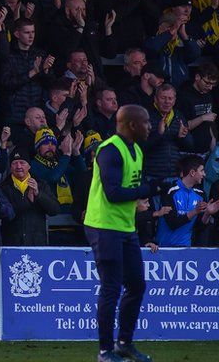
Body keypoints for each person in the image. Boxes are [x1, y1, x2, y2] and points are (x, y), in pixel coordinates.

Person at [85, 105, 162, 362]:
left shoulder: (136, 149)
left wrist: (142, 192)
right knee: (111, 287)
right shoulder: (109, 150)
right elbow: (113, 193)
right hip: (104, 226)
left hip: (125, 226)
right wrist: (146, 191)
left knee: (137, 285)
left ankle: (124, 344)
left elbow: (131, 186)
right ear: (131, 125)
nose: (150, 126)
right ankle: (105, 351)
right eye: (146, 122)